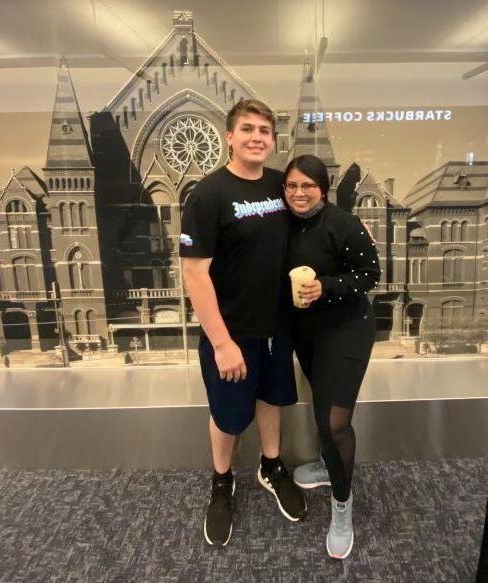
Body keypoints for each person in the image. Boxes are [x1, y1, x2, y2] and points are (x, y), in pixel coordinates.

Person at [180, 99, 306, 548]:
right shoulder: (208, 195)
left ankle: (271, 465)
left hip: (277, 327)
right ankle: (222, 480)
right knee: (228, 417)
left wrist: (354, 231)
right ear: (230, 137)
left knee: (271, 398)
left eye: (264, 131)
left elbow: (315, 219)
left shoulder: (280, 185)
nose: (257, 137)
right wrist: (221, 343)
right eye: (248, 129)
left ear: (273, 140)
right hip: (230, 335)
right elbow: (194, 273)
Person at [284, 154, 381, 559]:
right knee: (322, 408)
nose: (299, 193)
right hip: (308, 333)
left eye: (308, 185)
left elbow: (370, 274)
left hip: (347, 329)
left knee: (336, 422)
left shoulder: (343, 223)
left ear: (323, 189)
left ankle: (342, 503)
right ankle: (329, 466)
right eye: (292, 185)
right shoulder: (281, 223)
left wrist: (326, 286)